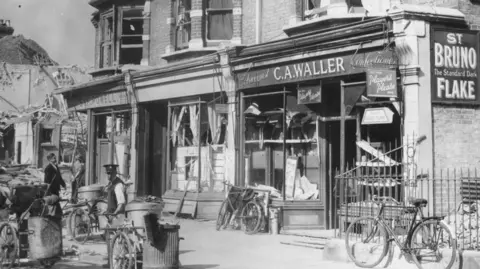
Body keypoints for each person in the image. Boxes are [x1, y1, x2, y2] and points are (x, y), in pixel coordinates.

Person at [103, 164, 127, 268]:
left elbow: (121, 204)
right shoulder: (111, 184)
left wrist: (114, 214)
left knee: (117, 242)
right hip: (111, 217)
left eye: (110, 173)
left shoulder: (118, 185)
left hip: (117, 217)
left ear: (114, 173)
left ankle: (117, 265)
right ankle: (111, 264)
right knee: (110, 240)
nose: (108, 175)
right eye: (107, 173)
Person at [42, 153, 66, 219]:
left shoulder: (56, 167)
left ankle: (56, 215)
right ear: (50, 160)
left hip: (56, 188)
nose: (55, 159)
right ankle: (52, 215)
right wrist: (48, 189)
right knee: (53, 202)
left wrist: (63, 184)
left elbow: (59, 177)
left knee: (56, 201)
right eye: (54, 158)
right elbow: (46, 181)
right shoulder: (48, 168)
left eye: (55, 158)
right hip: (51, 189)